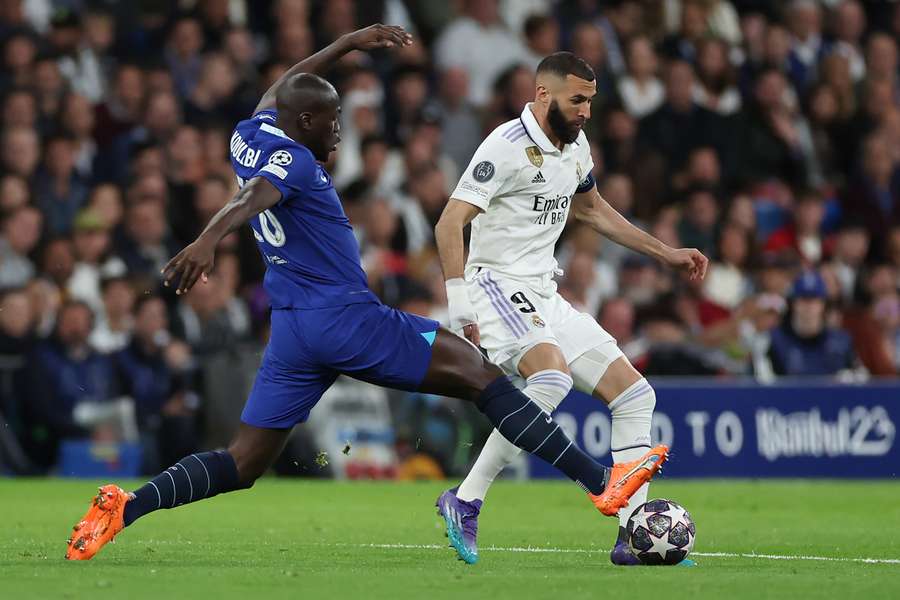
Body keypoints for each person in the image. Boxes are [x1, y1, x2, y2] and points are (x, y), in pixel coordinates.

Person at [65, 25, 667, 562]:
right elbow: (252, 199)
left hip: (294, 331)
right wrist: (207, 241)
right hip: (347, 319)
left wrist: (347, 45)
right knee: (487, 379)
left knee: (243, 463)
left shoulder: (249, 134)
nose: (338, 131)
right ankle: (599, 483)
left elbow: (283, 89)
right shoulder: (298, 165)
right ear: (303, 126)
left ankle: (126, 507)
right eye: (329, 122)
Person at [433, 52, 707, 566]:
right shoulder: (505, 146)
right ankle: (465, 501)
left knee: (635, 395)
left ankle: (633, 534)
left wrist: (665, 252)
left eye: (590, 101)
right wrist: (458, 304)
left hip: (543, 291)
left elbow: (592, 209)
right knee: (552, 380)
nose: (585, 111)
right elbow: (450, 223)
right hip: (494, 284)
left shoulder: (576, 146)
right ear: (543, 94)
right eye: (576, 99)